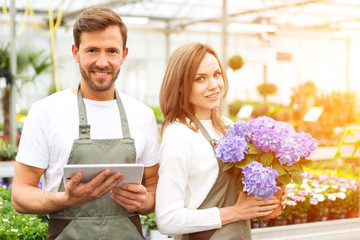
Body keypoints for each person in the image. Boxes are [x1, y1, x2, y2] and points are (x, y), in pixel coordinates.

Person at [11, 7, 159, 240]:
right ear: (75, 52)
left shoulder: (143, 115)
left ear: (124, 54)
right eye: (92, 50)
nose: (102, 62)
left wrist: (144, 201)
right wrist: (66, 200)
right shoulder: (46, 112)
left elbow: (154, 191)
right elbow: (20, 195)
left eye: (111, 51)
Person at [155, 43, 282, 240]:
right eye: (200, 79)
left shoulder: (227, 126)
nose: (214, 85)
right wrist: (237, 212)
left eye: (216, 74)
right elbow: (167, 219)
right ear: (180, 86)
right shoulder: (178, 135)